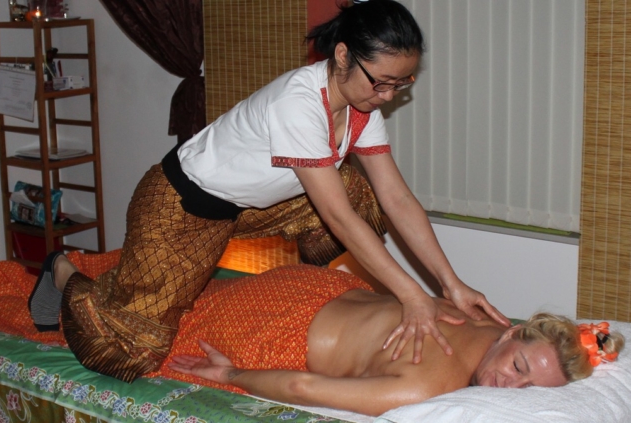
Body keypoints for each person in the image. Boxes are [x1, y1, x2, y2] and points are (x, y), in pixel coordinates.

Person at [27, 0, 510, 382]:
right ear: (343, 55)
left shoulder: (362, 108)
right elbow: (338, 218)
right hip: (182, 206)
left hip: (255, 208)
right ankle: (63, 270)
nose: (389, 95)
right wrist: (410, 293)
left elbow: (397, 198)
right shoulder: (298, 103)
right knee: (128, 352)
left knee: (361, 195)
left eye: (400, 84)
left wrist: (450, 285)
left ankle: (309, 293)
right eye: (381, 82)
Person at [153, 264, 624, 416]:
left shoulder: (480, 316)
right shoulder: (425, 388)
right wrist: (231, 374)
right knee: (139, 333)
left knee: (168, 290)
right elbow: (301, 389)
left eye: (528, 390)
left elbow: (595, 343)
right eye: (518, 368)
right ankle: (72, 274)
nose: (507, 387)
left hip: (313, 283)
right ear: (514, 334)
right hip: (273, 329)